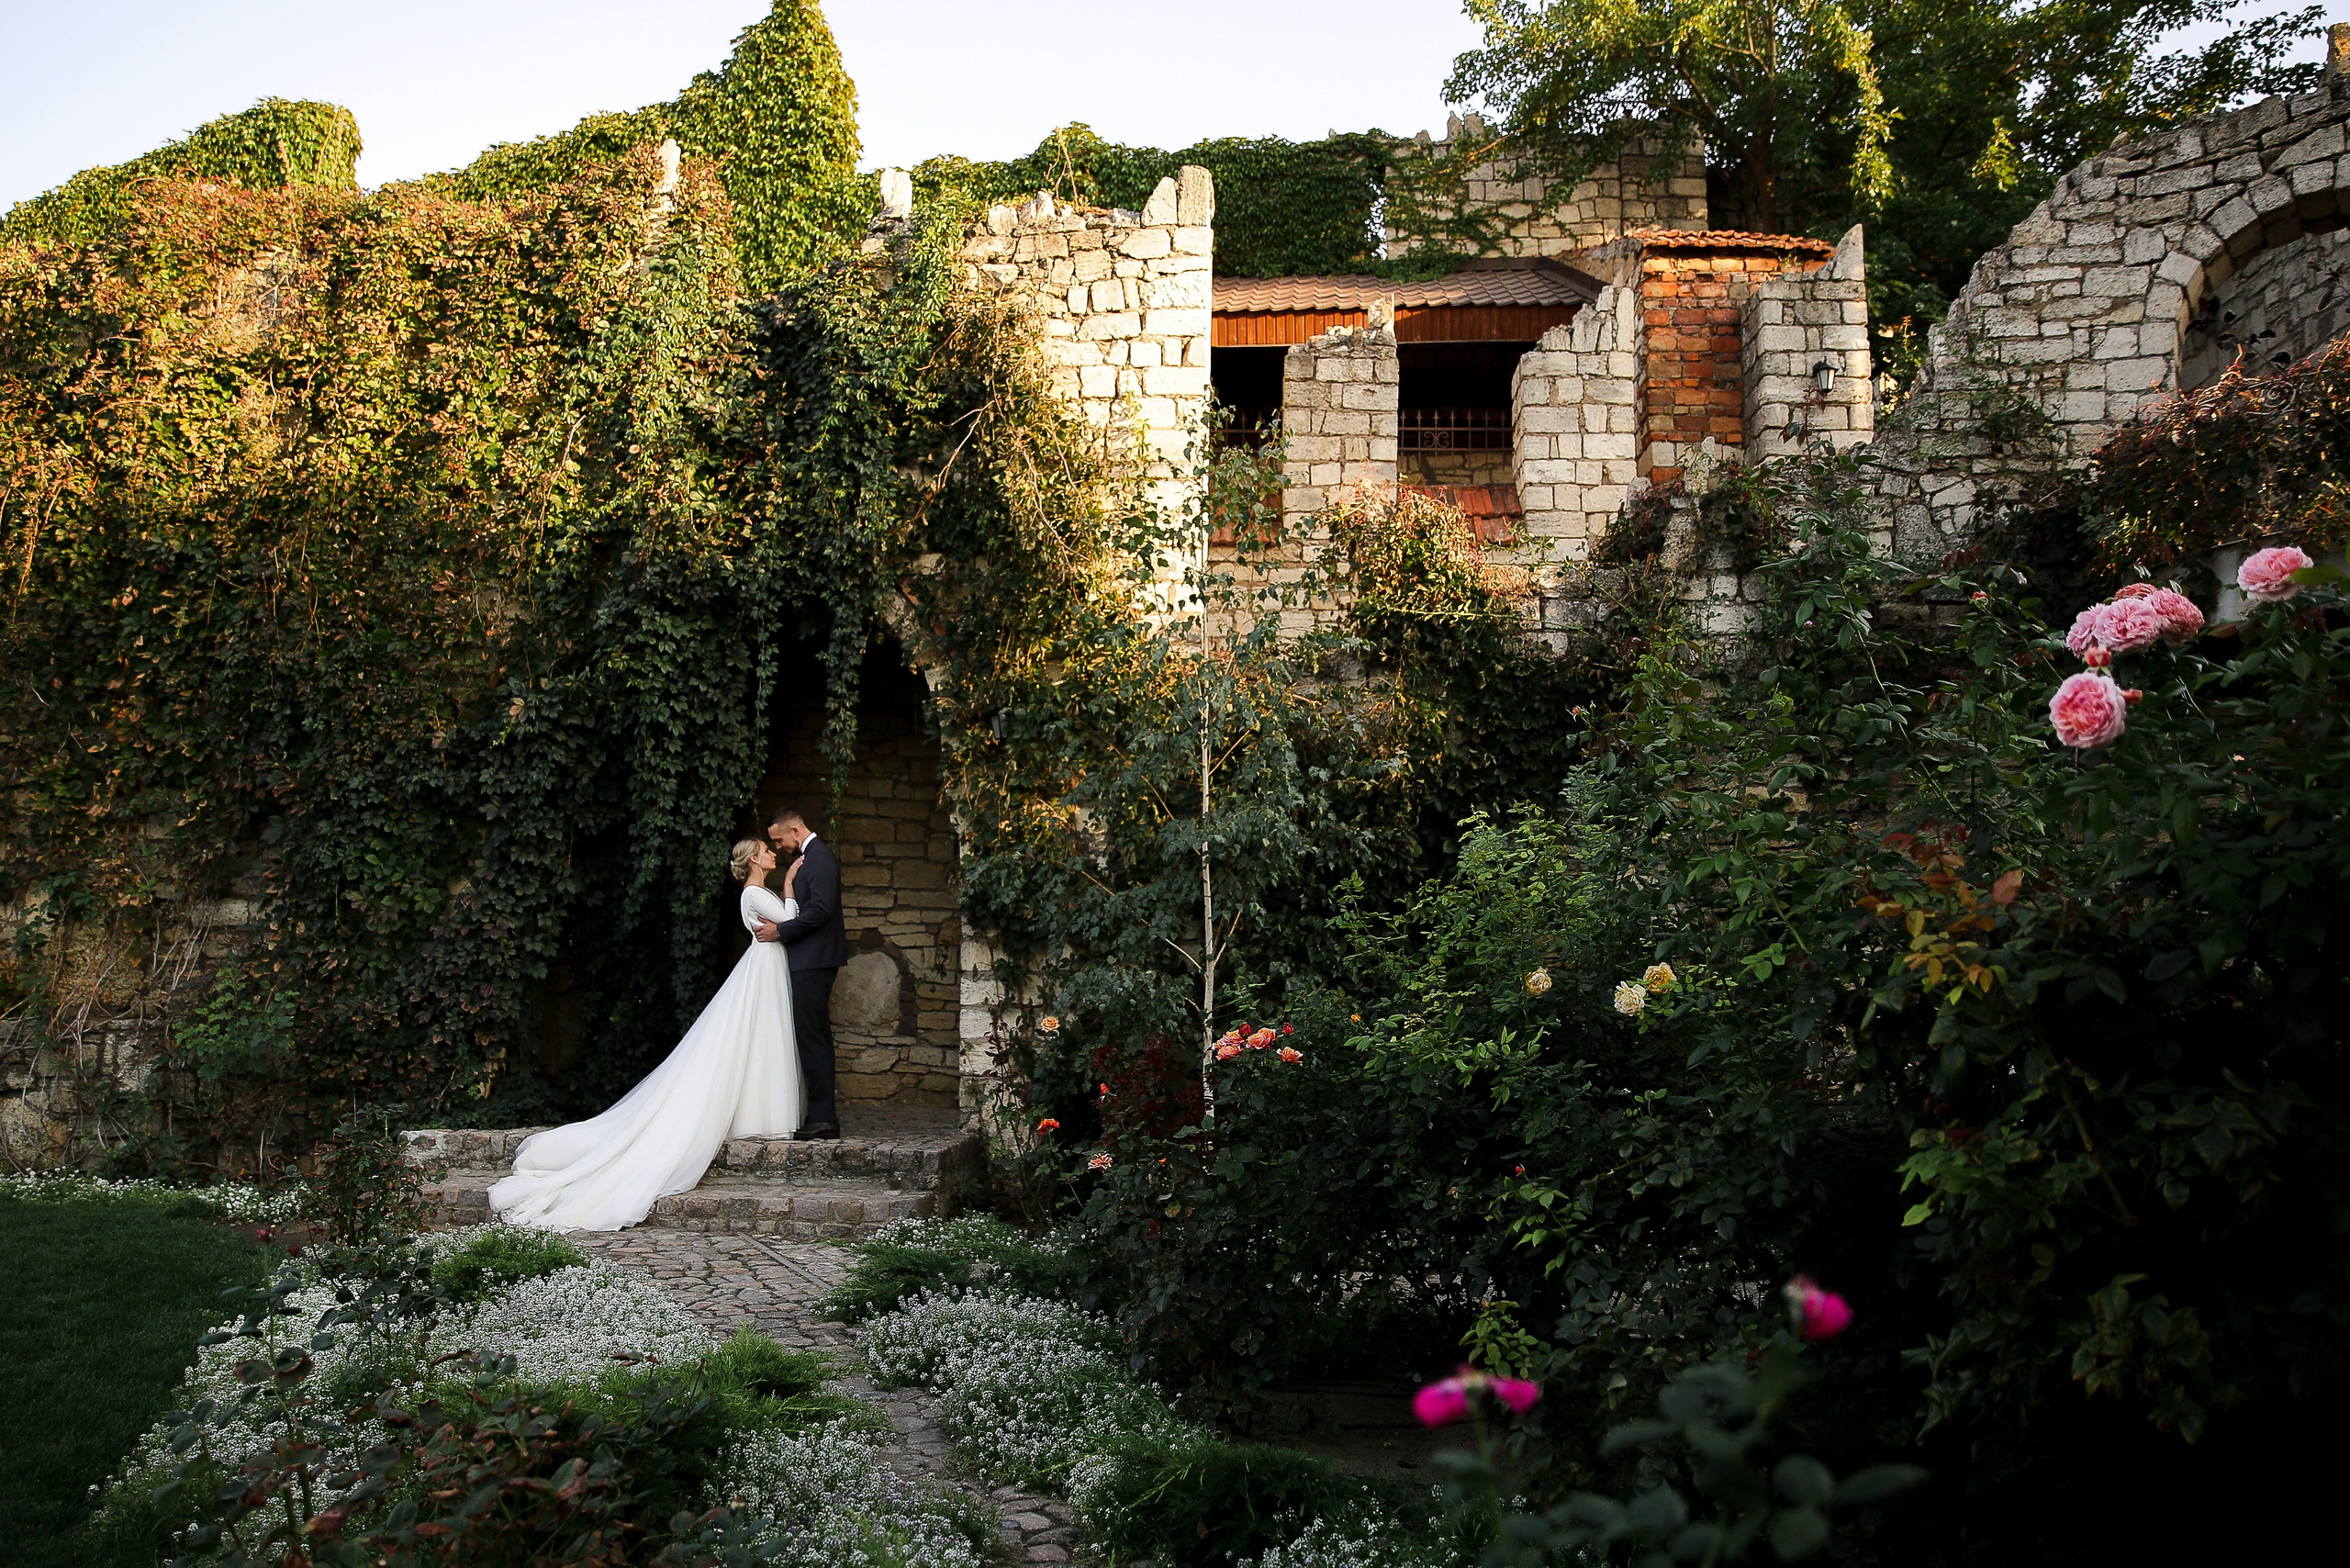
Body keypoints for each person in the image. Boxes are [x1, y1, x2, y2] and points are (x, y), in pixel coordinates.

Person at [488, 837, 802, 1230]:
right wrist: (790, 883)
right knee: (758, 1037)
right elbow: (791, 922)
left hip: (765, 965)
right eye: (767, 850)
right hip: (764, 967)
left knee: (760, 1040)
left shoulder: (754, 891)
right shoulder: (756, 891)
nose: (774, 853)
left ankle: (758, 1112)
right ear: (755, 858)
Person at [751, 808, 845, 1139]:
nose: (778, 847)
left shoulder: (819, 858)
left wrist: (781, 931)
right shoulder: (812, 857)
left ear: (795, 828)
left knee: (812, 1035)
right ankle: (821, 1114)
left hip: (815, 959)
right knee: (812, 1033)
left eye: (779, 839)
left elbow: (821, 910)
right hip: (810, 958)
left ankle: (823, 1118)